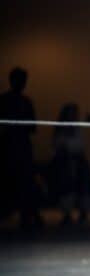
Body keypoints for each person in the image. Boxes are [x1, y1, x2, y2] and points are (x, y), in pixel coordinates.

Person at [0, 67, 42, 228]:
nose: (23, 83)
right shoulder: (5, 101)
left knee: (25, 182)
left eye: (24, 80)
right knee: (9, 182)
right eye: (20, 80)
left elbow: (32, 127)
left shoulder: (25, 102)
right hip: (8, 148)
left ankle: (27, 215)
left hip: (21, 147)